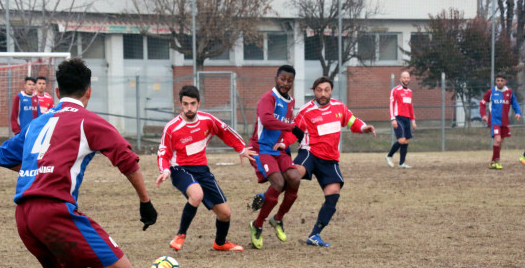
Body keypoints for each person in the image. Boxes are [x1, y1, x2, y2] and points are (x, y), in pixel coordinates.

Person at [0, 58, 168, 268]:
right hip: (55, 213)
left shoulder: (37, 123)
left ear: (57, 91)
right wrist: (145, 201)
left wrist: (37, 174)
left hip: (25, 218)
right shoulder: (88, 121)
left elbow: (3, 155)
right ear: (89, 92)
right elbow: (126, 159)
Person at [157, 85, 256, 252]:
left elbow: (225, 131)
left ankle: (220, 242)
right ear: (180, 104)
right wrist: (165, 170)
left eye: (192, 104)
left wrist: (241, 148)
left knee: (225, 214)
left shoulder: (207, 120)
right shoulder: (172, 128)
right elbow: (163, 151)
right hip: (179, 169)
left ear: (199, 103)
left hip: (202, 170)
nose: (189, 108)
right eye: (185, 104)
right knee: (197, 195)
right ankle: (180, 235)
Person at [279, 76, 376, 247]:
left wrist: (363, 127)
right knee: (292, 176)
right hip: (310, 152)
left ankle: (314, 235)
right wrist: (283, 143)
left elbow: (352, 120)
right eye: (319, 90)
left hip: (330, 159)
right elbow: (294, 131)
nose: (323, 93)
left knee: (333, 196)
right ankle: (265, 198)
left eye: (326, 90)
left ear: (331, 91)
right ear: (314, 91)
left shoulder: (339, 107)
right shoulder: (306, 111)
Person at [248, 65, 305, 250]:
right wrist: (291, 128)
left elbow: (287, 126)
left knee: (295, 178)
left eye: (289, 80)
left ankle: (277, 219)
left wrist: (287, 139)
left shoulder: (291, 101)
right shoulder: (268, 98)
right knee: (278, 183)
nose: (285, 83)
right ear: (276, 78)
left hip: (278, 150)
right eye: (283, 79)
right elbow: (266, 120)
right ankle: (257, 224)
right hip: (262, 148)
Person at [480, 74, 521, 169]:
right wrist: (483, 115)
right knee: (497, 140)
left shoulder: (509, 92)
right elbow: (482, 104)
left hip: (504, 121)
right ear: (495, 82)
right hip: (494, 120)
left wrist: (518, 112)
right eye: (498, 80)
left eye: (502, 80)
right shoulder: (491, 92)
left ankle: (492, 162)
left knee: (500, 142)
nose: (499, 82)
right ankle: (497, 161)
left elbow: (514, 103)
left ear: (505, 82)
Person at [386, 70, 417, 168]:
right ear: (400, 79)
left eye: (408, 78)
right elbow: (391, 104)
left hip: (407, 118)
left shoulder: (410, 92)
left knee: (406, 141)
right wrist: (393, 119)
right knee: (401, 140)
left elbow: (410, 107)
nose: (406, 79)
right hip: (398, 117)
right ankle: (389, 156)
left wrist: (413, 121)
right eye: (404, 78)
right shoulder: (395, 90)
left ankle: (402, 163)